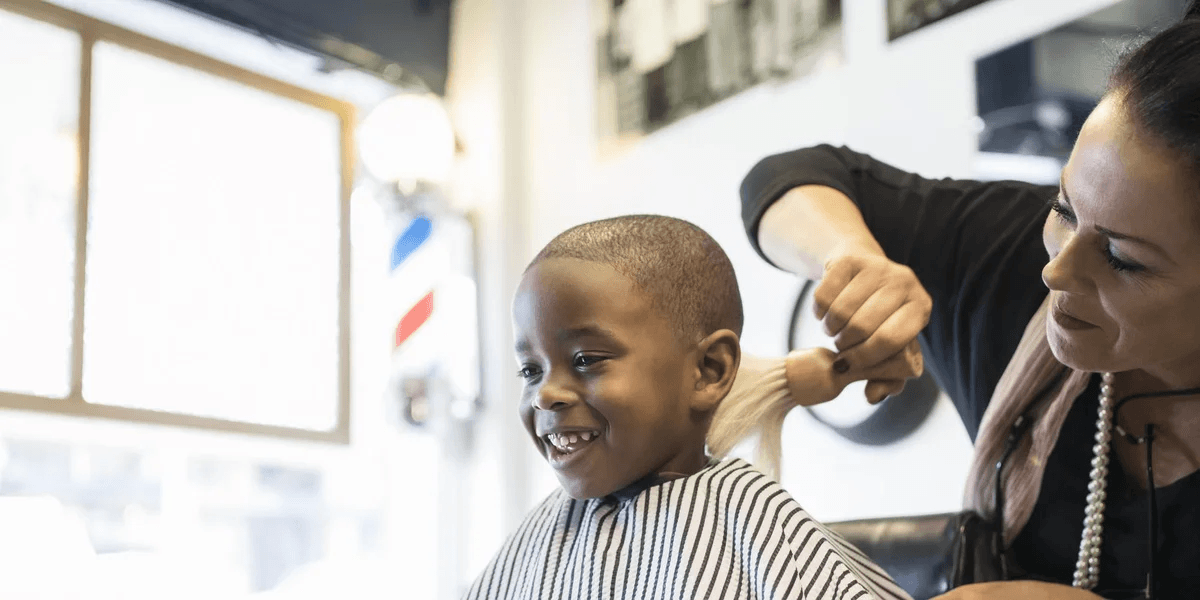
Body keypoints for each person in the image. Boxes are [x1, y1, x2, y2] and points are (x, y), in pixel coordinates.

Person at [736, 3, 1200, 599]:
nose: (1057, 270)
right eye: (1063, 209)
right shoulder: (1004, 268)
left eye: (1122, 259)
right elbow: (787, 177)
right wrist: (853, 259)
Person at [463, 215, 915, 600]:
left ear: (709, 370)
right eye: (530, 371)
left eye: (586, 360)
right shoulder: (545, 531)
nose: (545, 394)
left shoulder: (753, 521)